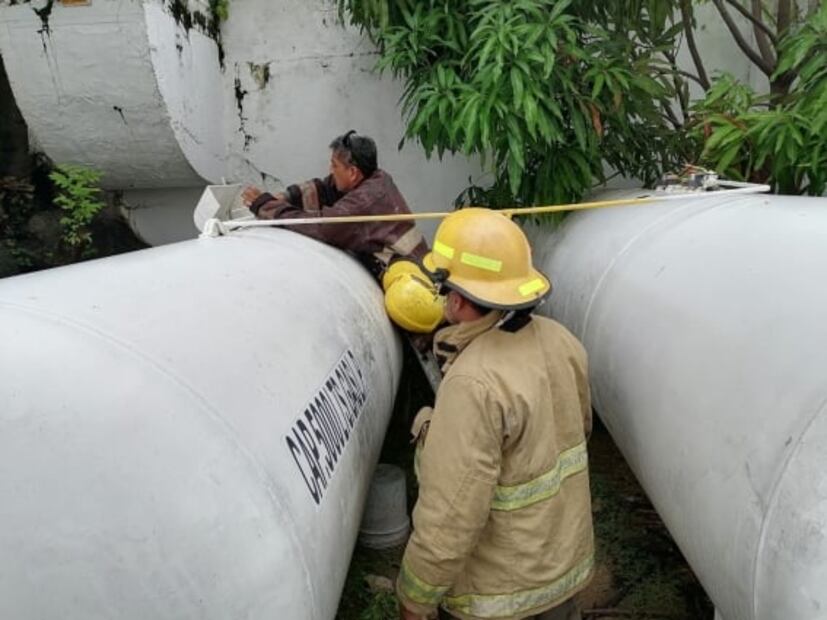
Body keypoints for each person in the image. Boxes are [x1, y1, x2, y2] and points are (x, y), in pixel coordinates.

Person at [396, 208, 594, 620]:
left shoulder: (473, 381)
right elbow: (576, 435)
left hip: (501, 594)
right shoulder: (563, 342)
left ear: (456, 296)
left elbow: (451, 513)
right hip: (563, 572)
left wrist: (415, 596)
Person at [242, 130, 428, 277]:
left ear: (353, 172)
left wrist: (265, 206)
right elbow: (324, 187)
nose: (330, 170)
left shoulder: (365, 201)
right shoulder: (376, 177)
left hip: (408, 278)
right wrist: (286, 197)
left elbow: (320, 226)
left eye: (334, 165)